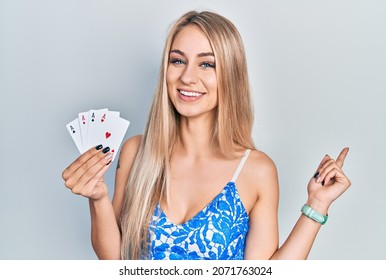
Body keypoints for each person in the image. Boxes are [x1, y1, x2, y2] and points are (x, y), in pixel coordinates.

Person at [62, 10, 351, 260]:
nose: (187, 77)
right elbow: (114, 260)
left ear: (230, 74)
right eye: (177, 61)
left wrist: (317, 204)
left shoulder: (256, 170)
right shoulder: (136, 152)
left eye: (206, 64)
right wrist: (98, 198)